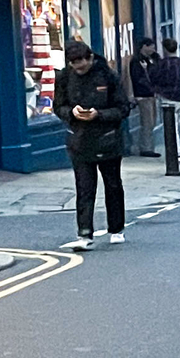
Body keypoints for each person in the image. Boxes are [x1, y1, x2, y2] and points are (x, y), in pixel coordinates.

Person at [57, 39, 129, 249]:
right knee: (84, 188)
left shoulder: (108, 75)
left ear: (90, 58)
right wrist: (72, 112)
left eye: (82, 63)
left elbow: (123, 108)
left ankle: (116, 229)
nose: (78, 68)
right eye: (74, 64)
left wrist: (99, 114)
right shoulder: (64, 78)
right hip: (79, 140)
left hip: (107, 138)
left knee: (113, 185)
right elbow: (58, 106)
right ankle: (85, 234)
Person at [150, 37, 180, 153]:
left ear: (165, 49)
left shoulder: (162, 64)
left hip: (167, 98)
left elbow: (154, 79)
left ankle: (175, 152)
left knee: (171, 127)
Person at [125, 41, 159, 155]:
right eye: (151, 48)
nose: (153, 50)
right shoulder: (136, 61)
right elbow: (138, 78)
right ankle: (146, 148)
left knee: (152, 122)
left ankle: (148, 146)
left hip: (151, 94)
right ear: (144, 47)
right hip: (142, 95)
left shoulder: (151, 60)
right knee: (147, 122)